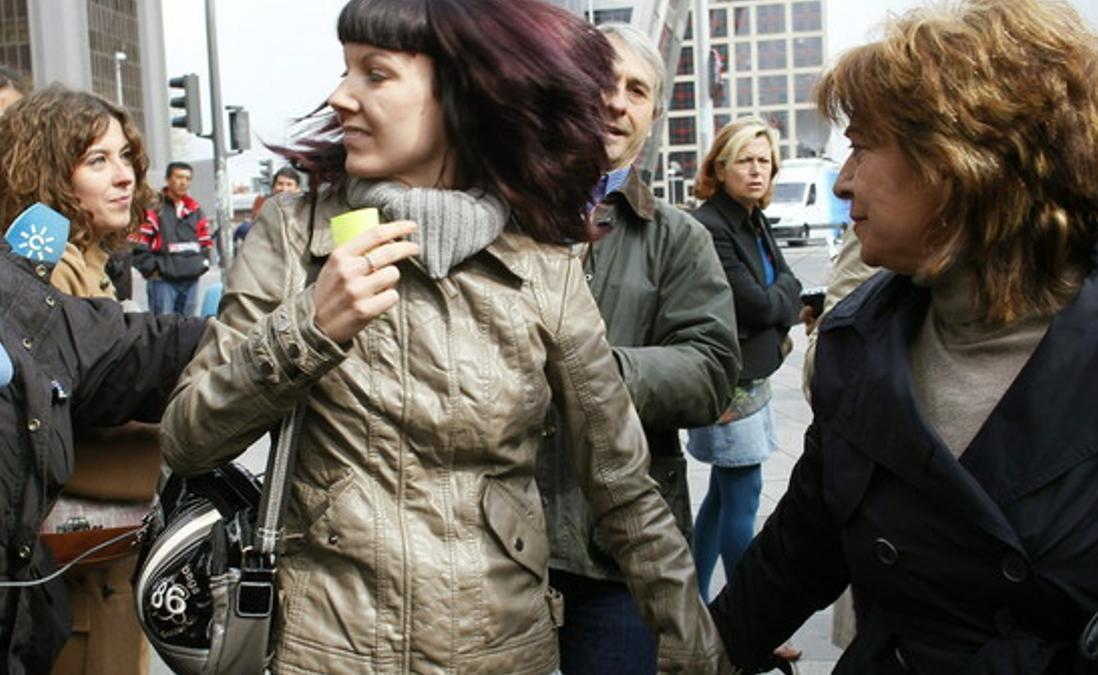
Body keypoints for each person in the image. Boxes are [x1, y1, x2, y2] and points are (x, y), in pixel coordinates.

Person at [159, 1, 729, 673]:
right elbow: (187, 437)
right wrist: (309, 328)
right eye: (344, 70)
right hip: (325, 652)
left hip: (501, 651)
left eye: (376, 73)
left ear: (465, 87)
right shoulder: (294, 233)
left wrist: (695, 647)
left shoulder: (542, 260)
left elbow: (623, 483)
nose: (340, 97)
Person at [708, 1, 1098, 673]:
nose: (844, 178)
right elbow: (799, 550)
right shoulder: (859, 338)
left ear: (963, 155)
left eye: (863, 144)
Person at [534, 22, 739, 675]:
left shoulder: (675, 238)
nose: (616, 101)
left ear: (652, 114)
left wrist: (596, 370)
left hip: (618, 559)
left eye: (637, 89)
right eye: (601, 82)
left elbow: (711, 370)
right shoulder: (503, 221)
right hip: (500, 553)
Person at [0, 85, 170, 675]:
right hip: (73, 590)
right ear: (47, 173)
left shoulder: (90, 261)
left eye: (125, 156)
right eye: (97, 160)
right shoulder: (48, 276)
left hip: (102, 580)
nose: (123, 176)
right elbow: (52, 437)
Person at [0, 246, 203, 674]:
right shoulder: (54, 267)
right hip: (82, 576)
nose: (122, 180)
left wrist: (249, 339)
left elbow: (119, 352)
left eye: (132, 172)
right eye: (97, 170)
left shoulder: (23, 290)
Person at [687, 116, 803, 605]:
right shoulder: (711, 225)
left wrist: (780, 300)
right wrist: (782, 303)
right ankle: (746, 615)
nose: (757, 171)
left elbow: (788, 284)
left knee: (722, 496)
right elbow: (755, 302)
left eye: (764, 161)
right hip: (729, 384)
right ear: (719, 167)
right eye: (745, 161)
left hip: (751, 380)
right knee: (742, 496)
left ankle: (690, 603)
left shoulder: (751, 217)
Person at [130, 161, 212, 315]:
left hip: (191, 280)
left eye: (188, 179)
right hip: (162, 282)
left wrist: (202, 264)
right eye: (179, 177)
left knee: (187, 329)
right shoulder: (154, 208)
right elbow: (139, 243)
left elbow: (205, 241)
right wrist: (153, 269)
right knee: (163, 331)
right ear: (168, 180)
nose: (183, 182)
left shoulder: (195, 210)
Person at [235, 166, 304, 253]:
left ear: (297, 189)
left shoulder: (304, 208)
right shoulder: (264, 205)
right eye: (280, 184)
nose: (284, 189)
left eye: (289, 184)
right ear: (273, 188)